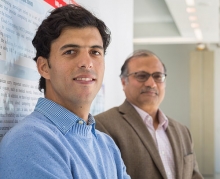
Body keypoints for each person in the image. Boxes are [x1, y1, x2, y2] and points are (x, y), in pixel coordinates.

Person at [0, 4, 130, 179]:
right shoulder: (30, 142)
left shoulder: (107, 146)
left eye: (95, 52)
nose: (87, 62)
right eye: (70, 51)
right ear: (44, 67)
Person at [95, 49, 204, 179]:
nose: (151, 84)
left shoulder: (182, 131)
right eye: (141, 76)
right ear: (123, 82)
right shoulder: (102, 126)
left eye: (158, 76)